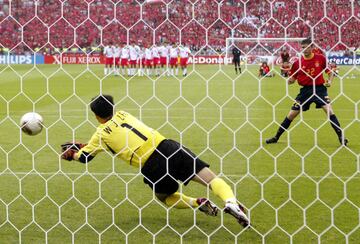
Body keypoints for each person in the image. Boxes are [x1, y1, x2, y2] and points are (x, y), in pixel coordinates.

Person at [61, 94, 250, 227]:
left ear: (95, 115)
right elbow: (120, 136)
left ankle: (196, 203)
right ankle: (231, 201)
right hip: (167, 147)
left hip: (151, 166)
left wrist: (74, 154)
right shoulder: (124, 114)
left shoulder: (100, 134)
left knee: (165, 197)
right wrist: (85, 145)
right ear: (113, 107)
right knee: (210, 179)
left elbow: (86, 157)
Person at [266, 38, 348, 146]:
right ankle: (276, 137)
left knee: (329, 111)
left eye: (306, 47)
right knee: (291, 115)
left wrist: (330, 81)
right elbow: (292, 79)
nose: (304, 49)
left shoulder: (321, 58)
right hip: (305, 92)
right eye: (302, 47)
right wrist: (289, 81)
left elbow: (330, 73)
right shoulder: (297, 63)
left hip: (319, 90)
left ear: (312, 47)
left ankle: (341, 137)